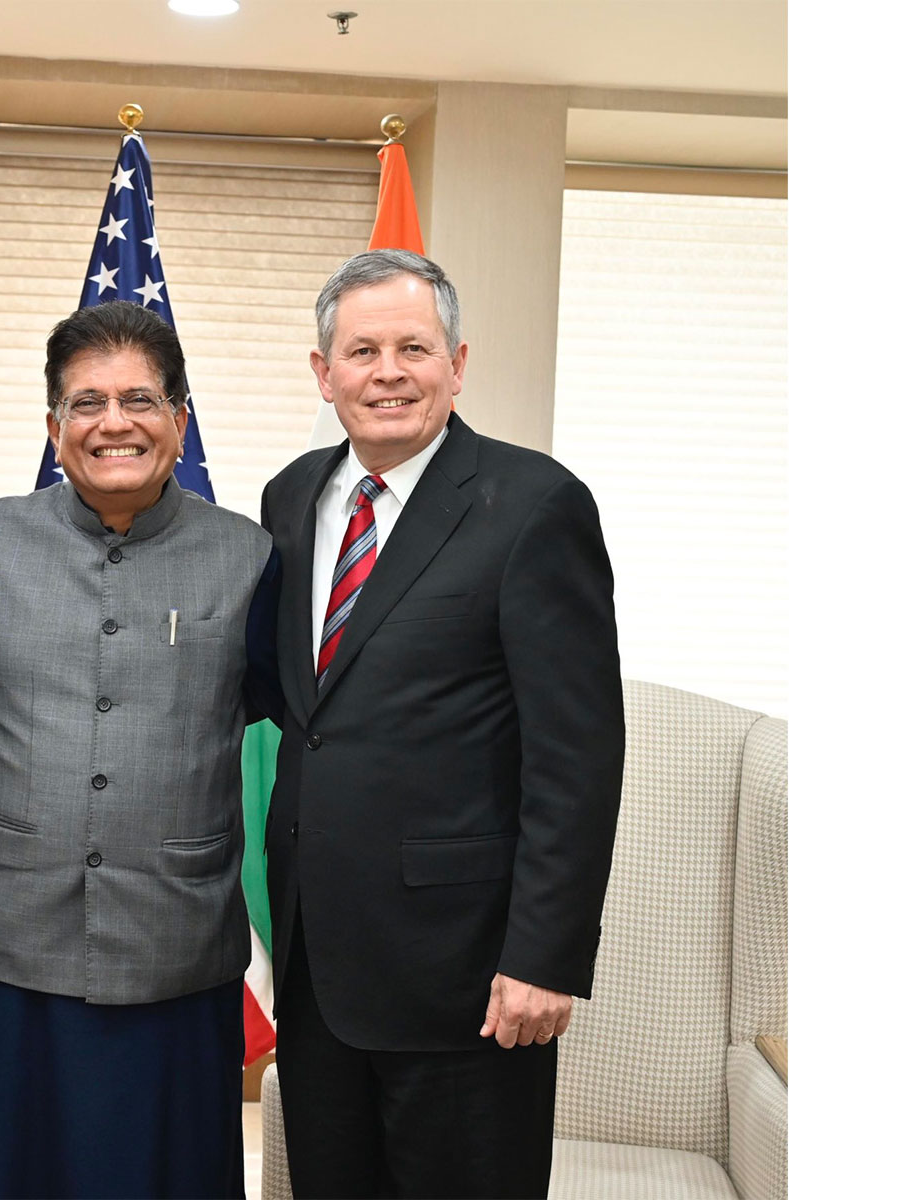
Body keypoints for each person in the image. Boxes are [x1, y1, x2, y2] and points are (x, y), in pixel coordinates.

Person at [260, 249, 625, 1199]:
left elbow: (576, 756)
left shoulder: (535, 505)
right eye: (363, 350)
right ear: (323, 372)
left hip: (465, 984)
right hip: (315, 968)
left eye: (413, 347)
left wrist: (543, 960)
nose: (388, 372)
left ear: (457, 363)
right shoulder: (291, 499)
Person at [0, 300, 279, 1199]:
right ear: (53, 426)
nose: (114, 422)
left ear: (180, 421)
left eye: (141, 398)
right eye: (86, 403)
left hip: (172, 952)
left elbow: (269, 706)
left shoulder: (251, 557)